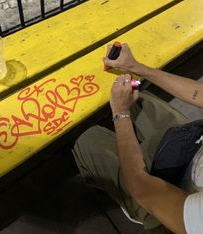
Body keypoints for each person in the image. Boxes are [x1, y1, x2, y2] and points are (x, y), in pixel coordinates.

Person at [73, 43, 203, 234]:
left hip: (169, 201)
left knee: (88, 140)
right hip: (190, 144)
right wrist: (137, 67)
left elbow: (143, 189)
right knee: (139, 98)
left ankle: (125, 203)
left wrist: (120, 112)